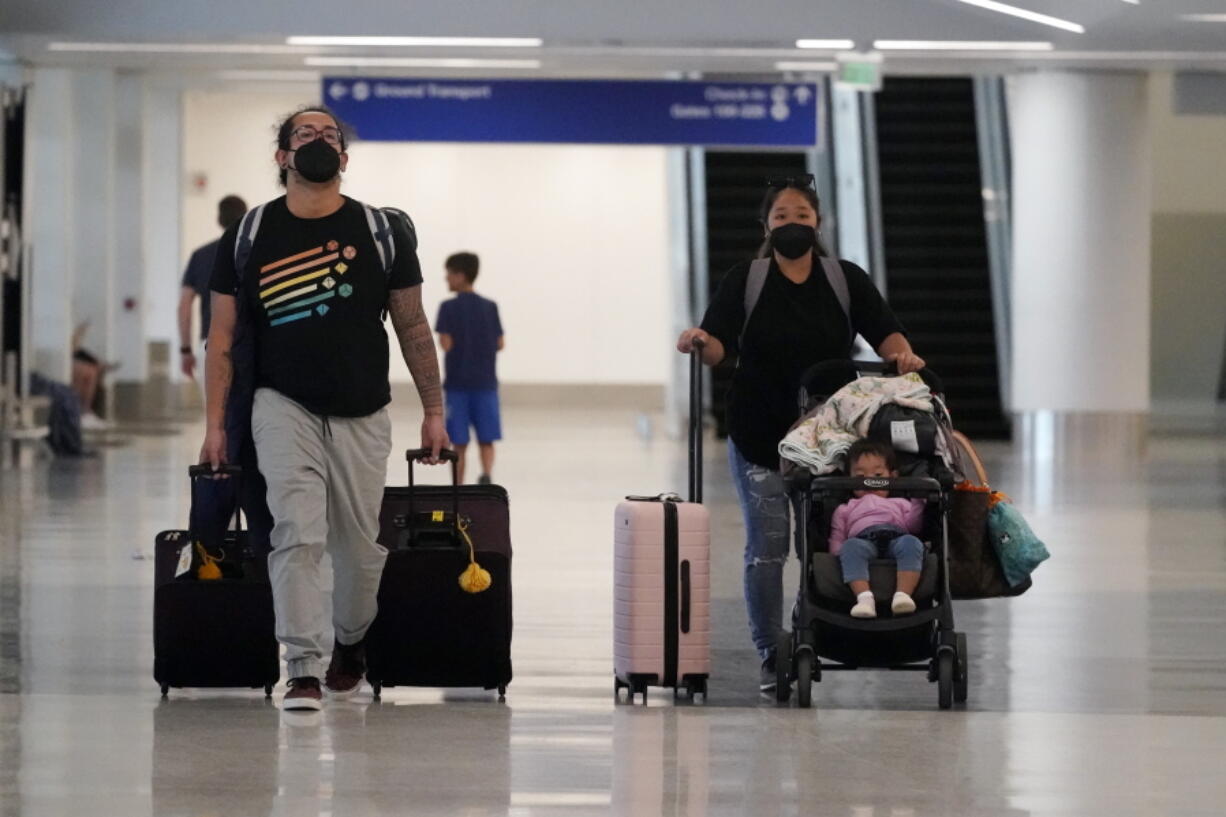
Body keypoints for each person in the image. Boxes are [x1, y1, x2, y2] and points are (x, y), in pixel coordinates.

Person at [200, 105, 449, 712]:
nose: (318, 140)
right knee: (296, 534)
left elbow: (413, 325)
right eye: (304, 134)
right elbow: (222, 339)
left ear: (344, 158)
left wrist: (435, 410)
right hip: (280, 404)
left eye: (329, 135)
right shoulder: (250, 233)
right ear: (283, 156)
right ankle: (302, 667)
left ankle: (352, 639)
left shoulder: (382, 231)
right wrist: (213, 426)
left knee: (360, 549)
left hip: (364, 410)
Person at [675, 174, 926, 693]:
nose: (793, 224)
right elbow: (721, 346)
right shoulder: (745, 279)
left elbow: (886, 330)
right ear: (766, 225)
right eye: (782, 216)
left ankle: (810, 635)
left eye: (802, 216)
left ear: (818, 223)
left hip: (828, 439)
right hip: (758, 432)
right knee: (767, 547)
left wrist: (902, 354)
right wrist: (701, 341)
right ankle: (772, 652)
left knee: (821, 543)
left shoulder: (844, 279)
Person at [829, 438, 925, 619]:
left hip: (896, 536)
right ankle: (864, 599)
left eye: (879, 476)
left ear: (893, 477)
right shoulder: (846, 508)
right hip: (861, 540)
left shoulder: (900, 503)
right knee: (850, 547)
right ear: (849, 480)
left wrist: (918, 502)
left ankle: (903, 595)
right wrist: (838, 553)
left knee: (911, 542)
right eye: (860, 477)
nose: (869, 482)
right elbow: (837, 537)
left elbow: (914, 526)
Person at [436, 251, 504, 485]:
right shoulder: (490, 307)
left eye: (449, 275)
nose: (446, 279)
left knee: (459, 442)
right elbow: (500, 343)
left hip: (457, 385)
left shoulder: (447, 308)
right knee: (487, 438)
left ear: (461, 275)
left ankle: (458, 486)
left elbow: (445, 343)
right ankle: (486, 475)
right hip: (486, 384)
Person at [178, 196, 248, 380]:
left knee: (214, 408)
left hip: (211, 343)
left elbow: (184, 306)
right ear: (246, 217)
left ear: (219, 219)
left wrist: (186, 350)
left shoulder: (201, 256)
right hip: (249, 343)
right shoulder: (257, 252)